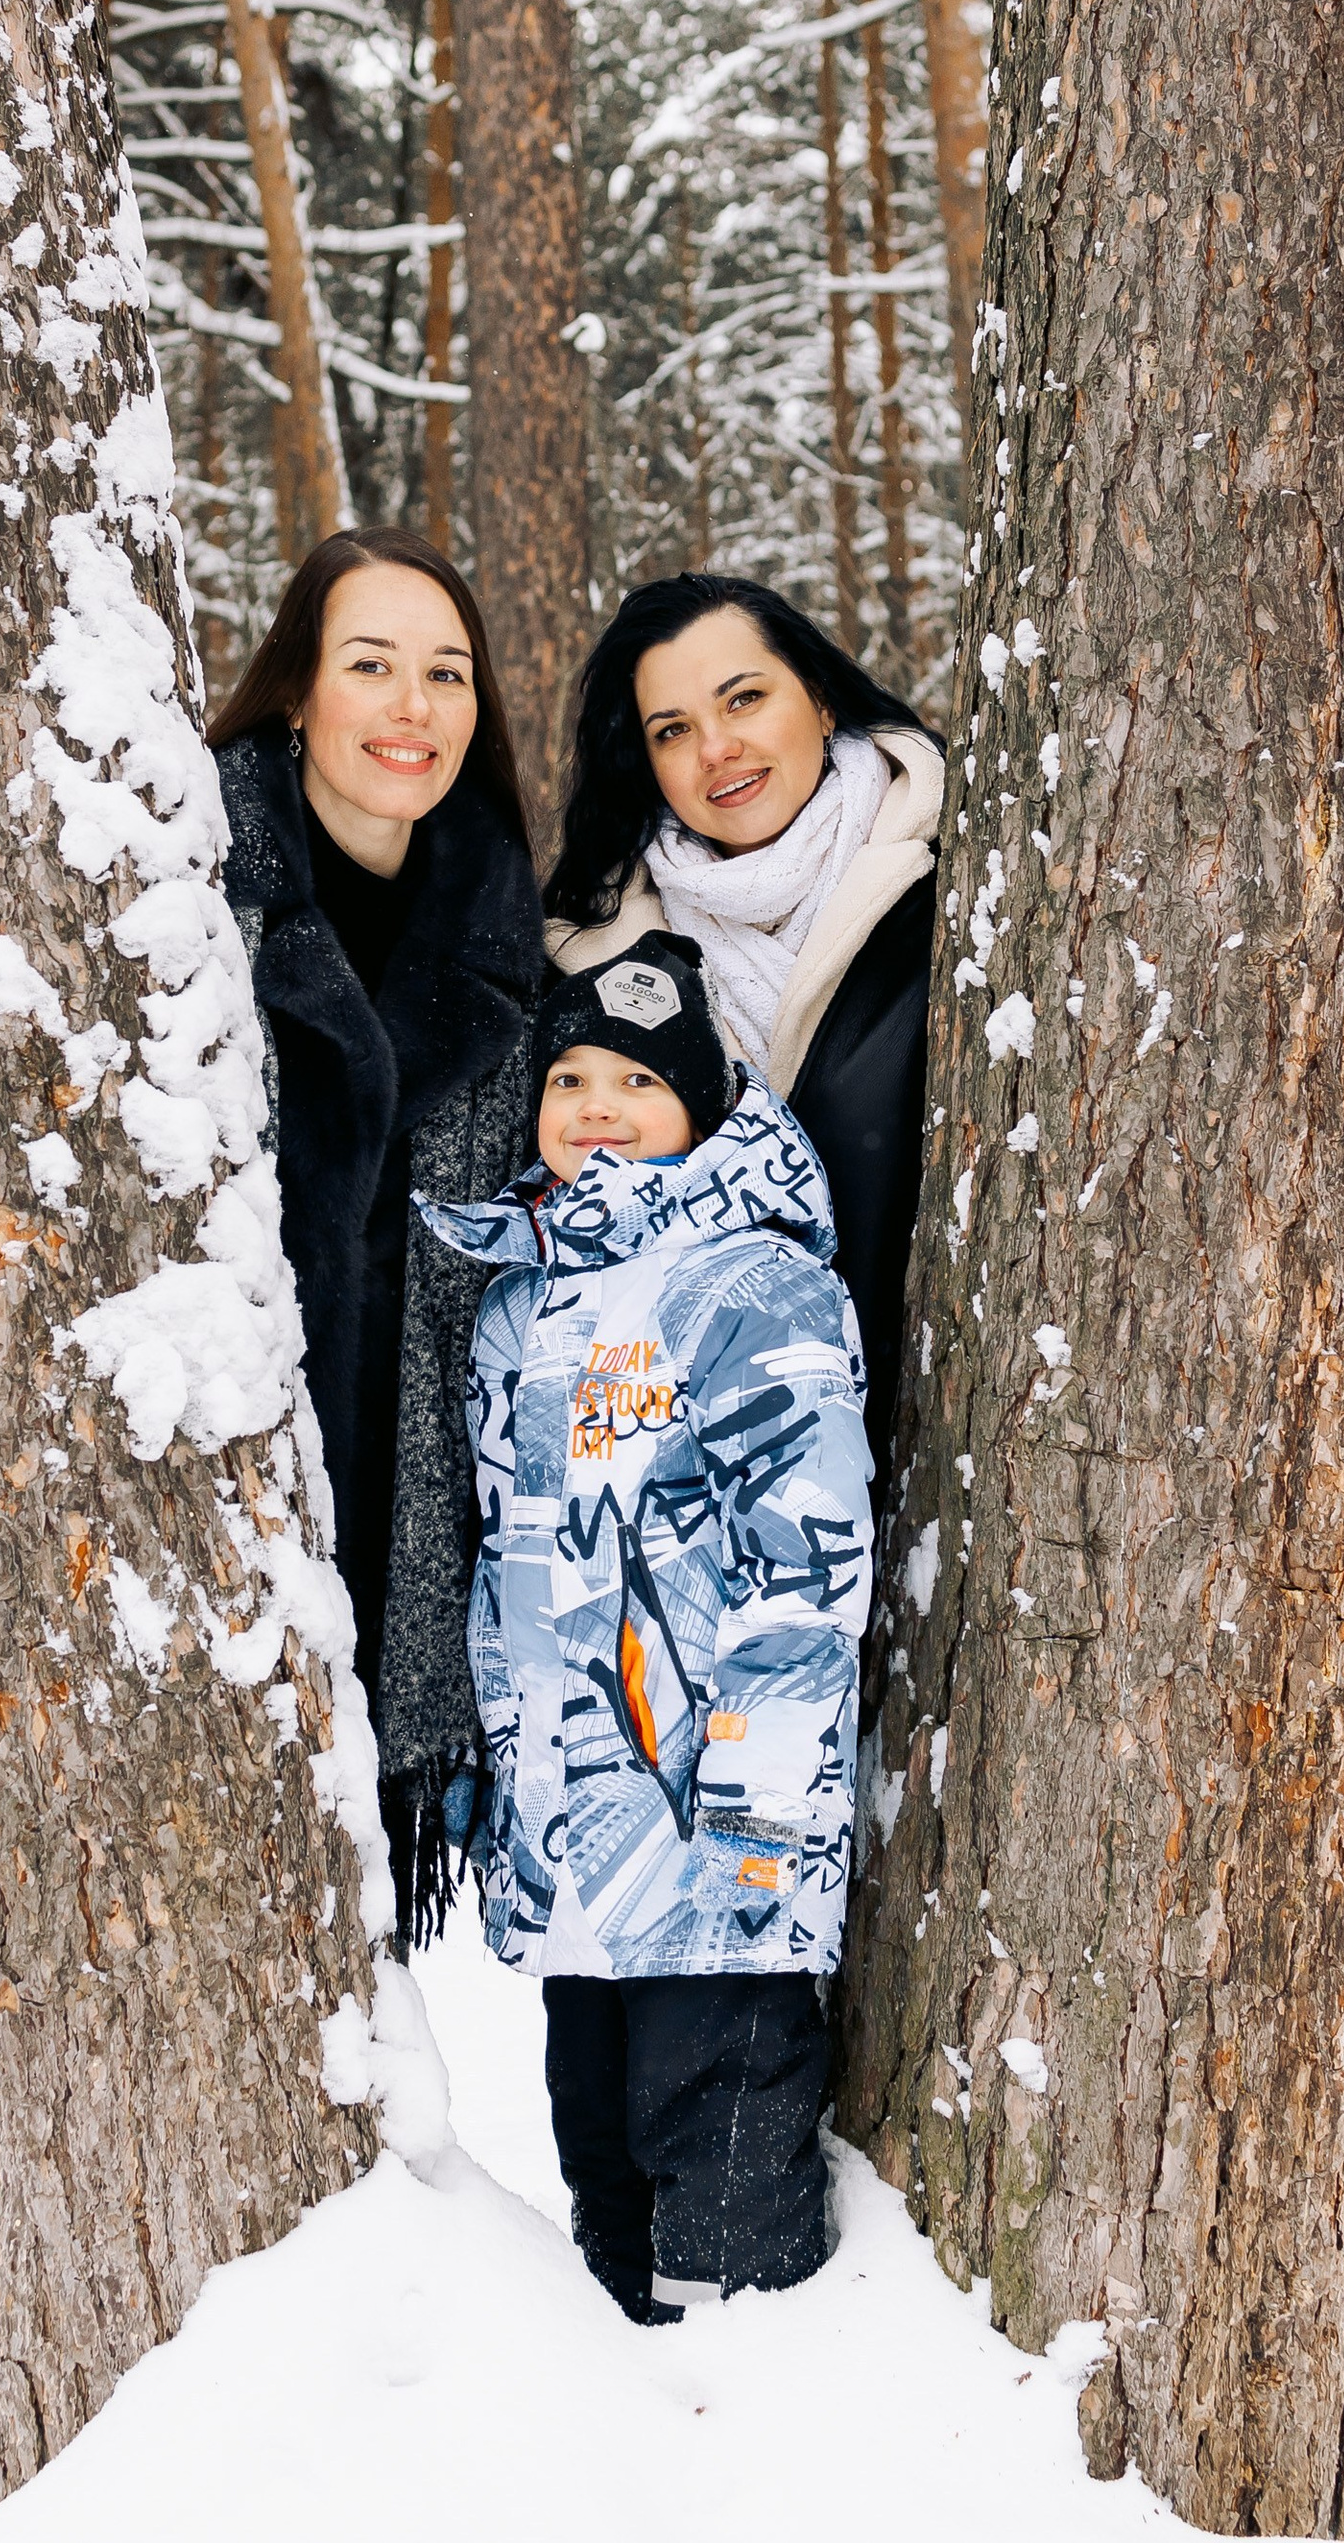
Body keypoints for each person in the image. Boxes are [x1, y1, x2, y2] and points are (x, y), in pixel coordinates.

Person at [418, 934, 874, 2320]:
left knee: (721, 2190)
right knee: (602, 2174)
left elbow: (806, 1569)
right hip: (577, 1852)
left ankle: (740, 2433)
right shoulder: (524, 1299)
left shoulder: (758, 1285)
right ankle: (627, 2421)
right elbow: (512, 1562)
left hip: (718, 1853)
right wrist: (499, 1770)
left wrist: (758, 1819)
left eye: (635, 1078)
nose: (596, 1105)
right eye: (568, 1077)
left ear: (703, 1107)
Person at [210, 528, 543, 1942]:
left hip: (410, 1535)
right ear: (297, 693)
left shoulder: (515, 942)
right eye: (371, 666)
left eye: (446, 674)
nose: (413, 708)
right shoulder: (191, 901)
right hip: (225, 1521)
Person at [543, 575, 941, 1502]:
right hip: (705, 1512)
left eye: (744, 699)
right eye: (671, 730)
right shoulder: (595, 963)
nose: (717, 750)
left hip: (939, 1462)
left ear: (821, 694)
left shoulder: (954, 889)